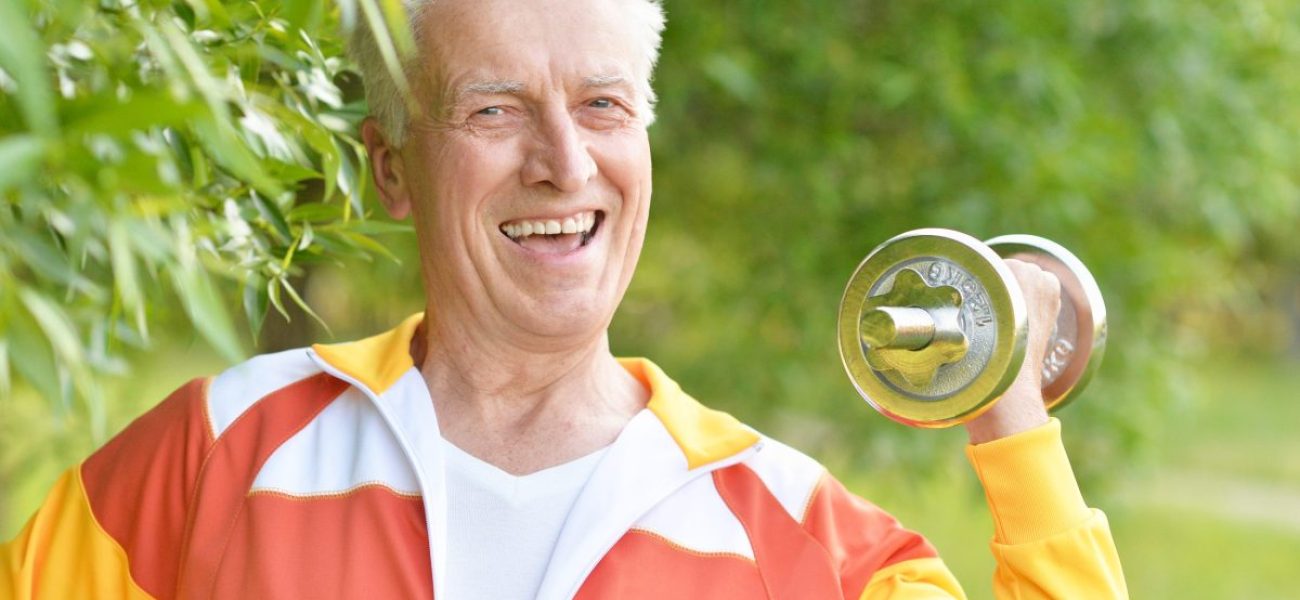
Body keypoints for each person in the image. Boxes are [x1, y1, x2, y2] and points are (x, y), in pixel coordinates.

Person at [0, 0, 1126, 597]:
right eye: (493, 111)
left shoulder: (796, 546)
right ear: (391, 166)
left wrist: (1007, 402)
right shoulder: (210, 459)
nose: (563, 163)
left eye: (602, 105)